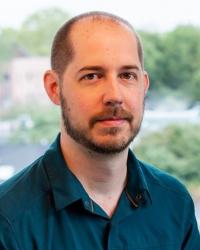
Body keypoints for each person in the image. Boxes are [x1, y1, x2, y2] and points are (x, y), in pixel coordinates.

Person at [0, 11, 199, 250]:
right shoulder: (7, 219)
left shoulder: (175, 203)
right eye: (92, 76)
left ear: (143, 86)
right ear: (54, 88)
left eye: (127, 75)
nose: (114, 96)